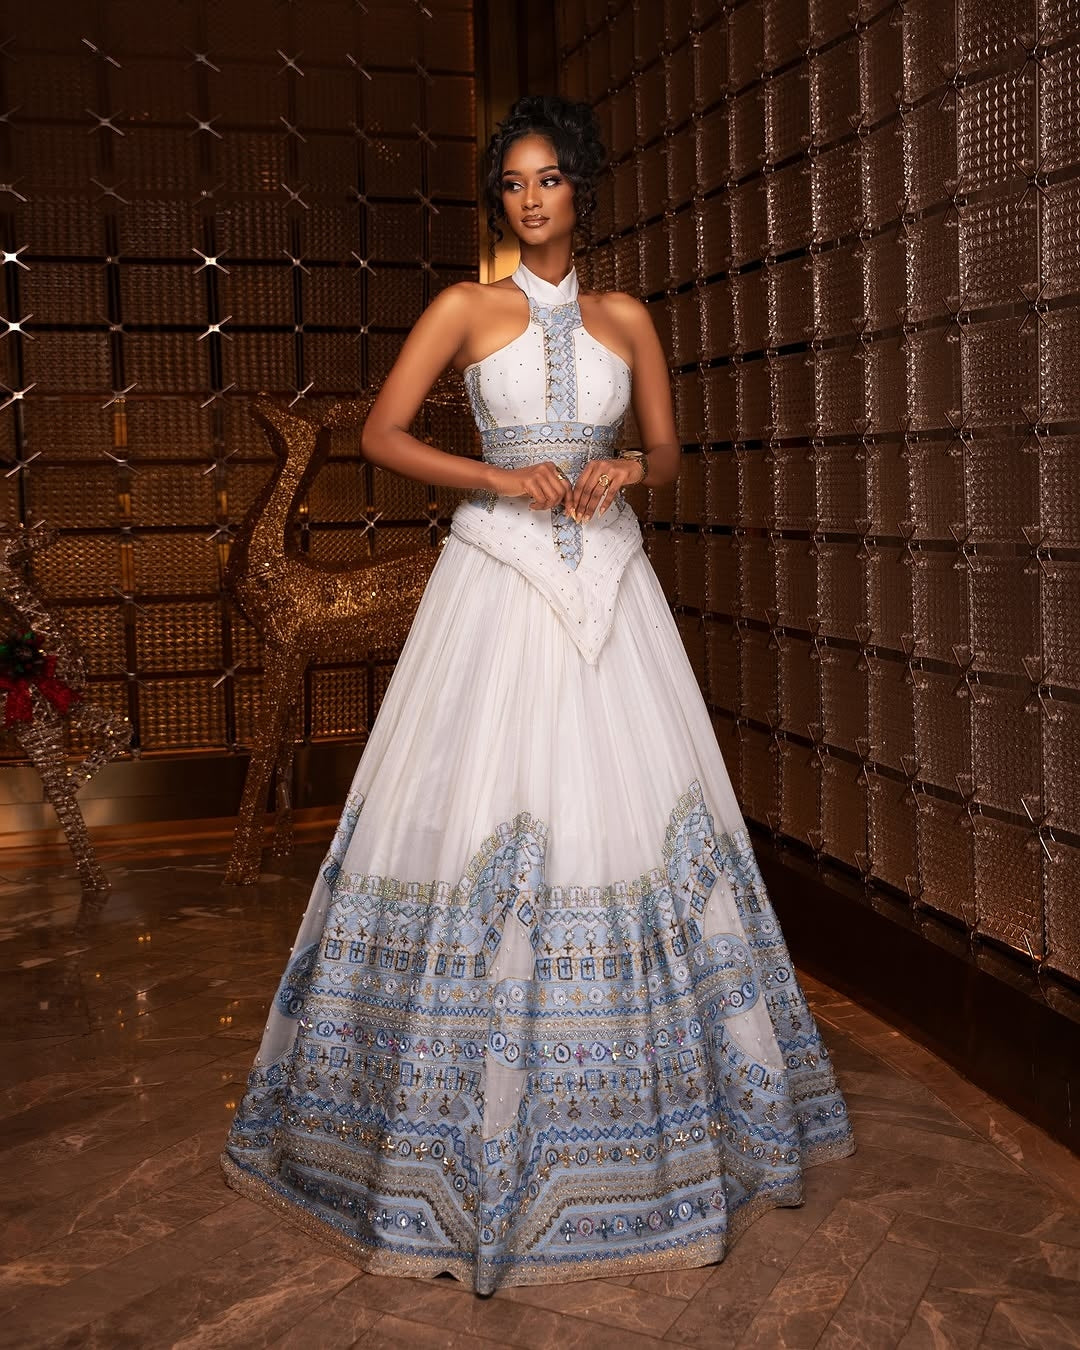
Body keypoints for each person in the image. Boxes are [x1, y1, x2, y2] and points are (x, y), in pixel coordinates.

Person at [221, 94, 855, 1294]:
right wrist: (503, 481)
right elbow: (384, 436)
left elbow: (668, 454)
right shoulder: (466, 308)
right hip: (496, 584)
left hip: (612, 585)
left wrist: (625, 465)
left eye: (549, 178)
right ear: (500, 199)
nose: (529, 197)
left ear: (583, 188)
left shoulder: (626, 315)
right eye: (512, 181)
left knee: (626, 820)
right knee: (485, 810)